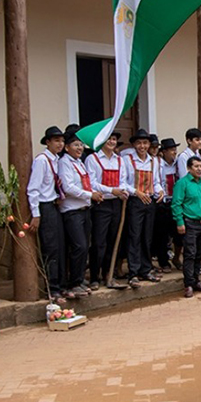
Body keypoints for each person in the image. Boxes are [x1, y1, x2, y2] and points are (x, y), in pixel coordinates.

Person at [57, 128, 98, 300]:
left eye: (81, 145)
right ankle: (72, 283)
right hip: (72, 211)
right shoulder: (65, 162)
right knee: (78, 246)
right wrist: (90, 195)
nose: (79, 148)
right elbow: (68, 187)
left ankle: (79, 280)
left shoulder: (80, 163)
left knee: (84, 247)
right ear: (67, 148)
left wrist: (95, 194)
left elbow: (86, 185)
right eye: (75, 145)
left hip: (84, 210)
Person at [27, 126, 67, 299]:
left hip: (54, 204)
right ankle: (52, 287)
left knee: (59, 247)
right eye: (56, 140)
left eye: (62, 140)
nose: (60, 144)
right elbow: (33, 189)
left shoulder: (57, 160)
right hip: (44, 206)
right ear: (48, 142)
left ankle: (60, 283)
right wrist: (36, 214)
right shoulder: (42, 160)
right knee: (50, 247)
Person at [86, 131, 129, 290]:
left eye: (114, 139)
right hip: (101, 204)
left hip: (116, 204)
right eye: (108, 139)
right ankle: (94, 277)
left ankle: (108, 274)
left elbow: (123, 180)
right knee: (99, 242)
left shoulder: (119, 160)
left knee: (113, 240)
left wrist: (122, 191)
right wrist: (112, 190)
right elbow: (92, 183)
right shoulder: (93, 159)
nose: (111, 142)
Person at [125, 129, 162, 284]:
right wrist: (136, 192)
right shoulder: (128, 160)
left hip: (150, 202)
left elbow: (156, 181)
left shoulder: (154, 161)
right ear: (134, 144)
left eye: (145, 143)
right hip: (135, 201)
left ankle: (146, 269)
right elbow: (123, 182)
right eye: (139, 143)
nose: (142, 146)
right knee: (134, 236)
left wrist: (160, 191)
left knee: (147, 237)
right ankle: (133, 272)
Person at [173, 156, 201, 298]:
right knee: (190, 253)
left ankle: (196, 281)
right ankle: (188, 284)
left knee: (199, 253)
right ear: (189, 168)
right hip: (189, 222)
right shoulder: (182, 183)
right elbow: (176, 203)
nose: (199, 169)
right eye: (196, 166)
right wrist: (179, 222)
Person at [153, 137, 182, 273]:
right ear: (163, 151)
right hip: (163, 202)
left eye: (175, 150)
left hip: (175, 201)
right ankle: (163, 261)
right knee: (162, 235)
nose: (174, 153)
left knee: (178, 233)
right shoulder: (158, 164)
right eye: (171, 150)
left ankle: (177, 257)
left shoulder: (177, 164)